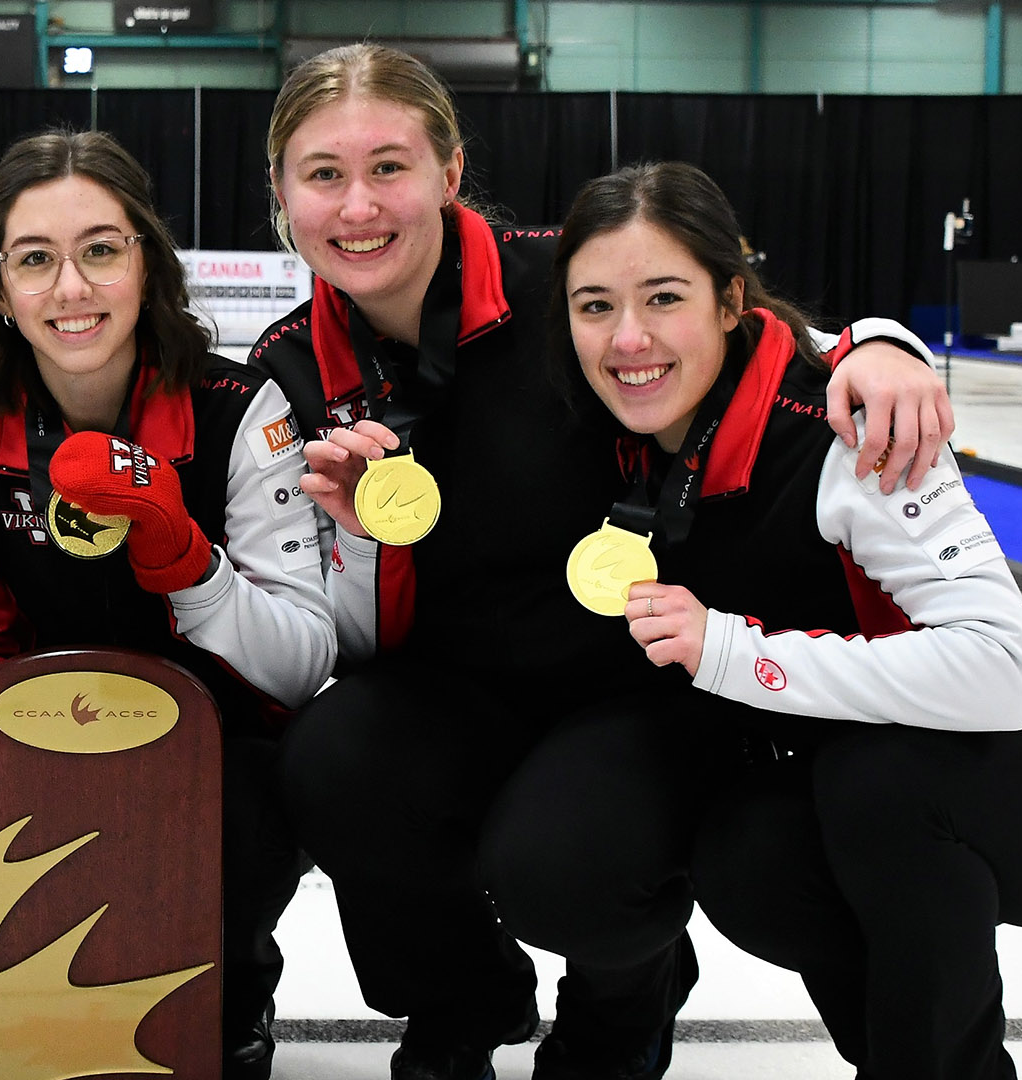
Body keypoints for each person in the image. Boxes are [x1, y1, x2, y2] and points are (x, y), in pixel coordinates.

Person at [245, 43, 956, 1080]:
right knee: (331, 760)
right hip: (453, 682)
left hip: (635, 680)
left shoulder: (559, 281)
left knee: (566, 866)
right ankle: (461, 1008)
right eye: (324, 175)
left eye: (389, 167)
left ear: (449, 173)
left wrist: (880, 345)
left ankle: (623, 1004)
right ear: (280, 192)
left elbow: (744, 331)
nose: (359, 206)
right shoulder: (289, 364)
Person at [536, 160, 1022, 1080]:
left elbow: (1002, 677)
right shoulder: (609, 419)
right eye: (595, 305)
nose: (629, 337)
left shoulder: (857, 426)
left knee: (873, 781)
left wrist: (733, 652)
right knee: (750, 854)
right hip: (877, 771)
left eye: (665, 297)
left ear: (730, 300)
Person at [0, 129, 335, 1080]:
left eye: (101, 250)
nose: (71, 288)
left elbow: (302, 663)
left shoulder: (241, 410)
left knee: (262, 797)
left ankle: (232, 989)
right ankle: (13, 1007)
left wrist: (188, 564)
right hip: (42, 740)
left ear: (148, 267)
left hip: (218, 748)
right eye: (35, 260)